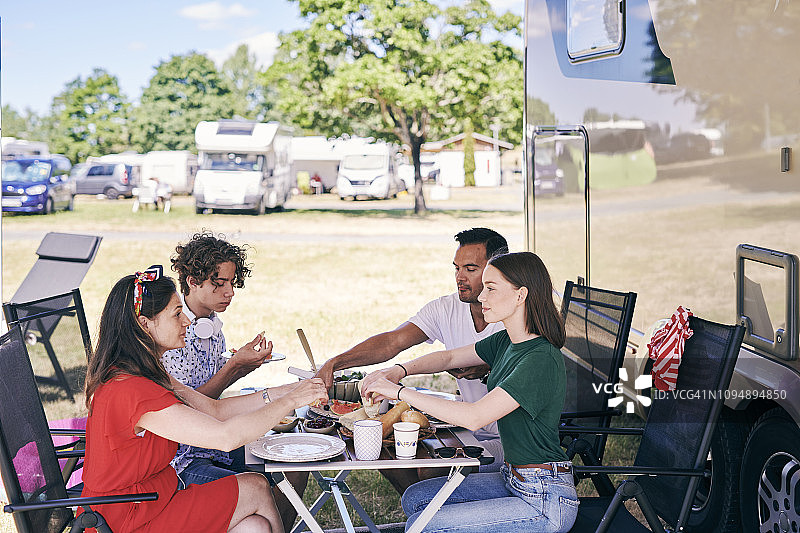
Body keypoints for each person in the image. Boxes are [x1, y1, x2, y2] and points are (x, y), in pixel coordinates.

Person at [81, 266, 328, 532]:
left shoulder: (146, 372)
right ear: (145, 324)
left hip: (154, 501)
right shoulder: (132, 389)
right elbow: (225, 437)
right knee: (255, 487)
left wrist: (290, 391)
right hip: (128, 518)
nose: (187, 321)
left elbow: (215, 410)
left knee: (254, 526)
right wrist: (289, 403)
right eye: (177, 314)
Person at [363, 252, 578, 533]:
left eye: (491, 288)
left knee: (424, 525)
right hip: (512, 478)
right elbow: (449, 358)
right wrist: (400, 370)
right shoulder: (507, 341)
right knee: (415, 499)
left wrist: (399, 392)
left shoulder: (539, 358)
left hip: (544, 498)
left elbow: (475, 416)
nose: (481, 297)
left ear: (520, 295)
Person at [316, 228, 508, 490]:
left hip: (509, 440)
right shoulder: (447, 307)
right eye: (456, 268)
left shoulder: (517, 316)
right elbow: (395, 341)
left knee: (428, 466)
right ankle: (421, 512)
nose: (459, 278)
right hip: (465, 426)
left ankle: (426, 514)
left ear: (497, 270)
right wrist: (335, 362)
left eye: (471, 269)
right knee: (384, 448)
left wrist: (488, 370)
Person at [161, 231, 308, 532]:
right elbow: (193, 405)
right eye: (219, 283)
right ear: (192, 282)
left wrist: (243, 367)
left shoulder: (212, 326)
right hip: (186, 461)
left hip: (217, 448)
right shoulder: (171, 334)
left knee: (297, 467)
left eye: (232, 282)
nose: (229, 292)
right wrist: (234, 367)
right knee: (258, 486)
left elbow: (215, 391)